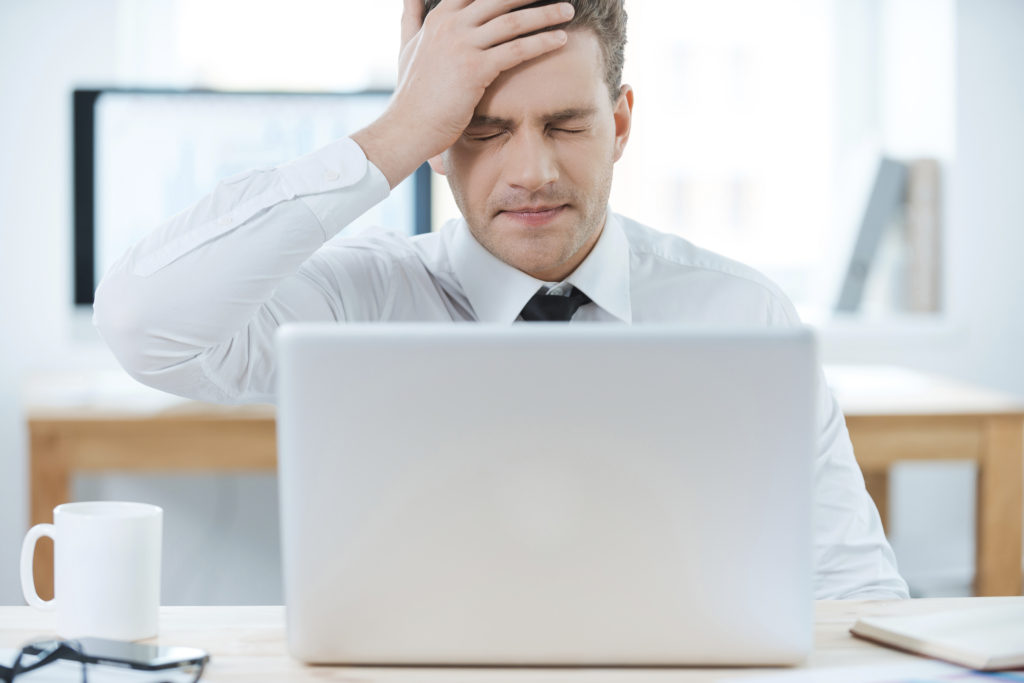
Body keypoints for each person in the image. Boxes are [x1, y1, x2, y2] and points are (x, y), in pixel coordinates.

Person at [94, 0, 910, 600]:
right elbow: (142, 325)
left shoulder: (745, 318)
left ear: (621, 124)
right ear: (439, 144)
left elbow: (857, 587)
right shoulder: (357, 305)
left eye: (565, 125)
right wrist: (395, 134)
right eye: (483, 130)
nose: (533, 173)